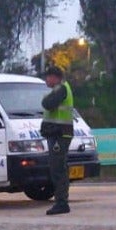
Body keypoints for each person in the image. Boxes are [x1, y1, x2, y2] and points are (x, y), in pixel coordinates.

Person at [40, 66, 75, 215]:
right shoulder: (62, 88)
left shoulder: (61, 89)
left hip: (59, 135)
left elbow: (47, 103)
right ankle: (61, 201)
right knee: (59, 168)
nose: (46, 80)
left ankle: (61, 202)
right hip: (59, 135)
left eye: (48, 77)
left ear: (55, 77)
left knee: (58, 169)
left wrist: (45, 98)